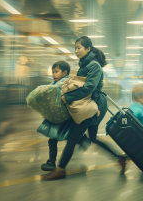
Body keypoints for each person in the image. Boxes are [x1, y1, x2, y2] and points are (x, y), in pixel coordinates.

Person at [41, 36, 126, 180]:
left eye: (79, 47)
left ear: (88, 49)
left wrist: (67, 97)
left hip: (93, 105)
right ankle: (119, 158)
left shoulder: (93, 65)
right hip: (91, 103)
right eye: (75, 48)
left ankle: (60, 169)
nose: (76, 51)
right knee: (92, 138)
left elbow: (88, 88)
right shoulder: (85, 65)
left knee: (74, 137)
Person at [41, 61, 91, 171]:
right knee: (63, 136)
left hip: (64, 115)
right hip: (58, 115)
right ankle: (82, 140)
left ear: (65, 73)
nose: (53, 74)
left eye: (56, 72)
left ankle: (52, 162)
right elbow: (48, 88)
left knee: (55, 138)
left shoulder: (65, 81)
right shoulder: (55, 82)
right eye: (52, 72)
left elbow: (54, 89)